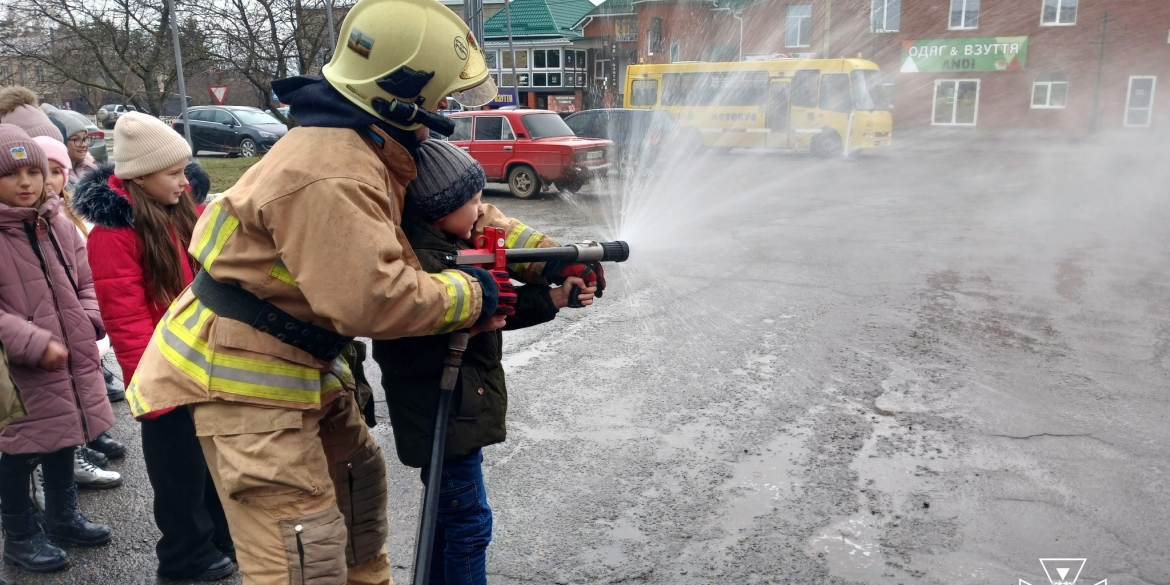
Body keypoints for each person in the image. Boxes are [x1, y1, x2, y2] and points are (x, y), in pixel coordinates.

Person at [126, 0, 585, 581]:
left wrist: (551, 259)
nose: (445, 110)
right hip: (249, 386)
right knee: (305, 555)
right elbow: (374, 299)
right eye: (440, 97)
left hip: (304, 367)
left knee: (358, 508)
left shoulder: (375, 141)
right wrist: (474, 292)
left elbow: (468, 214)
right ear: (402, 92)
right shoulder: (332, 171)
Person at [373, 140, 597, 584]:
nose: (481, 211)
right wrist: (477, 319)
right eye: (472, 202)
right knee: (470, 528)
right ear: (438, 209)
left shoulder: (443, 246)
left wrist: (554, 294)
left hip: (454, 413)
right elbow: (414, 341)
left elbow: (497, 313)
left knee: (449, 521)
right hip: (443, 417)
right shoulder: (428, 265)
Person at [71, 112, 235, 582]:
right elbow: (125, 318)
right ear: (141, 177)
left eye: (184, 171)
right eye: (173, 174)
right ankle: (184, 557)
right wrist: (154, 386)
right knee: (179, 475)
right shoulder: (113, 234)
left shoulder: (182, 211)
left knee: (212, 465)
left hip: (203, 362)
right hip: (163, 372)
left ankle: (219, 539)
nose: (185, 182)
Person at [0, 124, 114, 573]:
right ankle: (19, 533)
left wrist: (89, 317)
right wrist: (33, 341)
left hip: (68, 354)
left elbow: (85, 279)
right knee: (18, 450)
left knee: (63, 435)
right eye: (11, 174)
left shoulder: (57, 224)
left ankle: (61, 516)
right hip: (20, 367)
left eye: (34, 171)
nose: (27, 182)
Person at [29, 136, 123, 494]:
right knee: (45, 417)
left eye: (56, 172)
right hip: (38, 338)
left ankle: (82, 448)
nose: (46, 180)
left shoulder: (63, 219)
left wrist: (87, 316)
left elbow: (85, 274)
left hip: (73, 328)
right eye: (44, 171)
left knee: (75, 398)